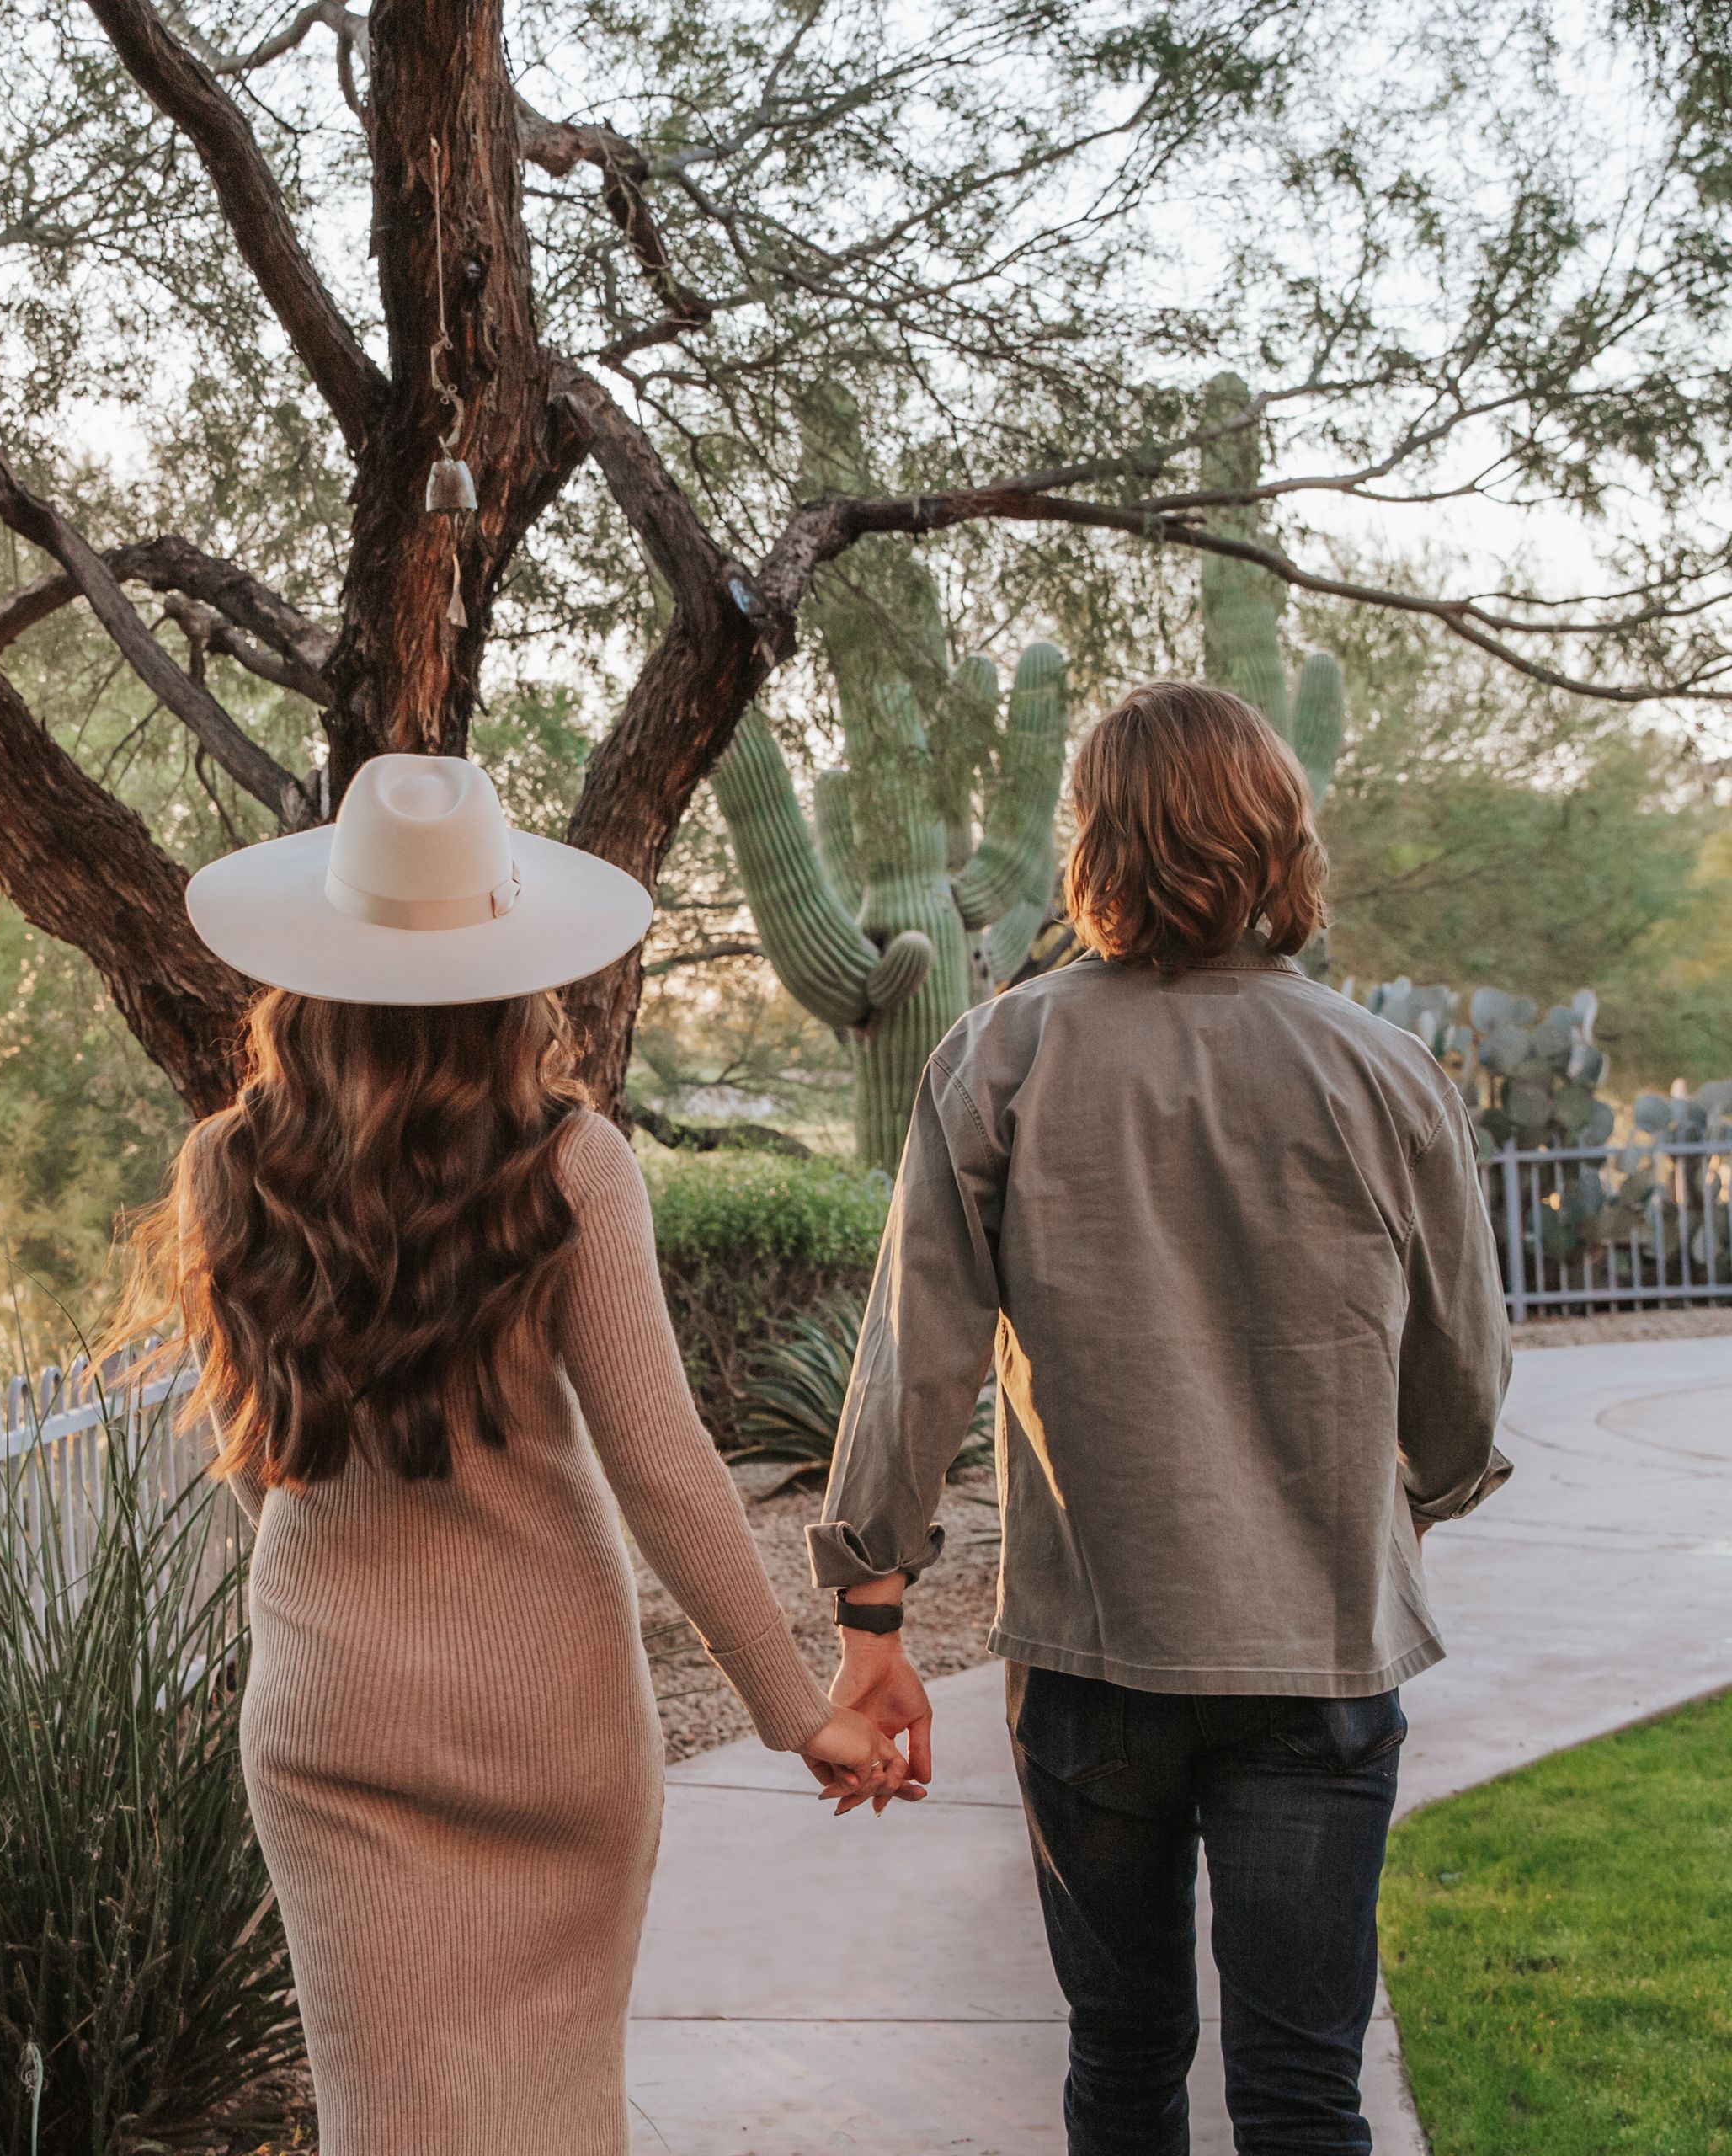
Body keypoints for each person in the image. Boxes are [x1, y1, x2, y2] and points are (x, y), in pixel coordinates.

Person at [145, 751, 909, 2156]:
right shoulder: (571, 1167)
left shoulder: (232, 1167)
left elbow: (268, 1465)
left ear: (316, 964)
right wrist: (797, 1708)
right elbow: (667, 1466)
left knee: (389, 2129)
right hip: (548, 1733)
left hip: (336, 1729)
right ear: (515, 970)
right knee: (552, 2120)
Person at [811, 682, 1514, 2155]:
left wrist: (870, 1612)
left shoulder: (996, 1059)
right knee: (1305, 2087)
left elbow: (908, 1363)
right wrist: (1387, 1503)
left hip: (1095, 1661)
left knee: (1123, 2066)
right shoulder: (1390, 1075)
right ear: (1282, 837)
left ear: (1092, 848)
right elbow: (1461, 1398)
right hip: (1322, 1649)